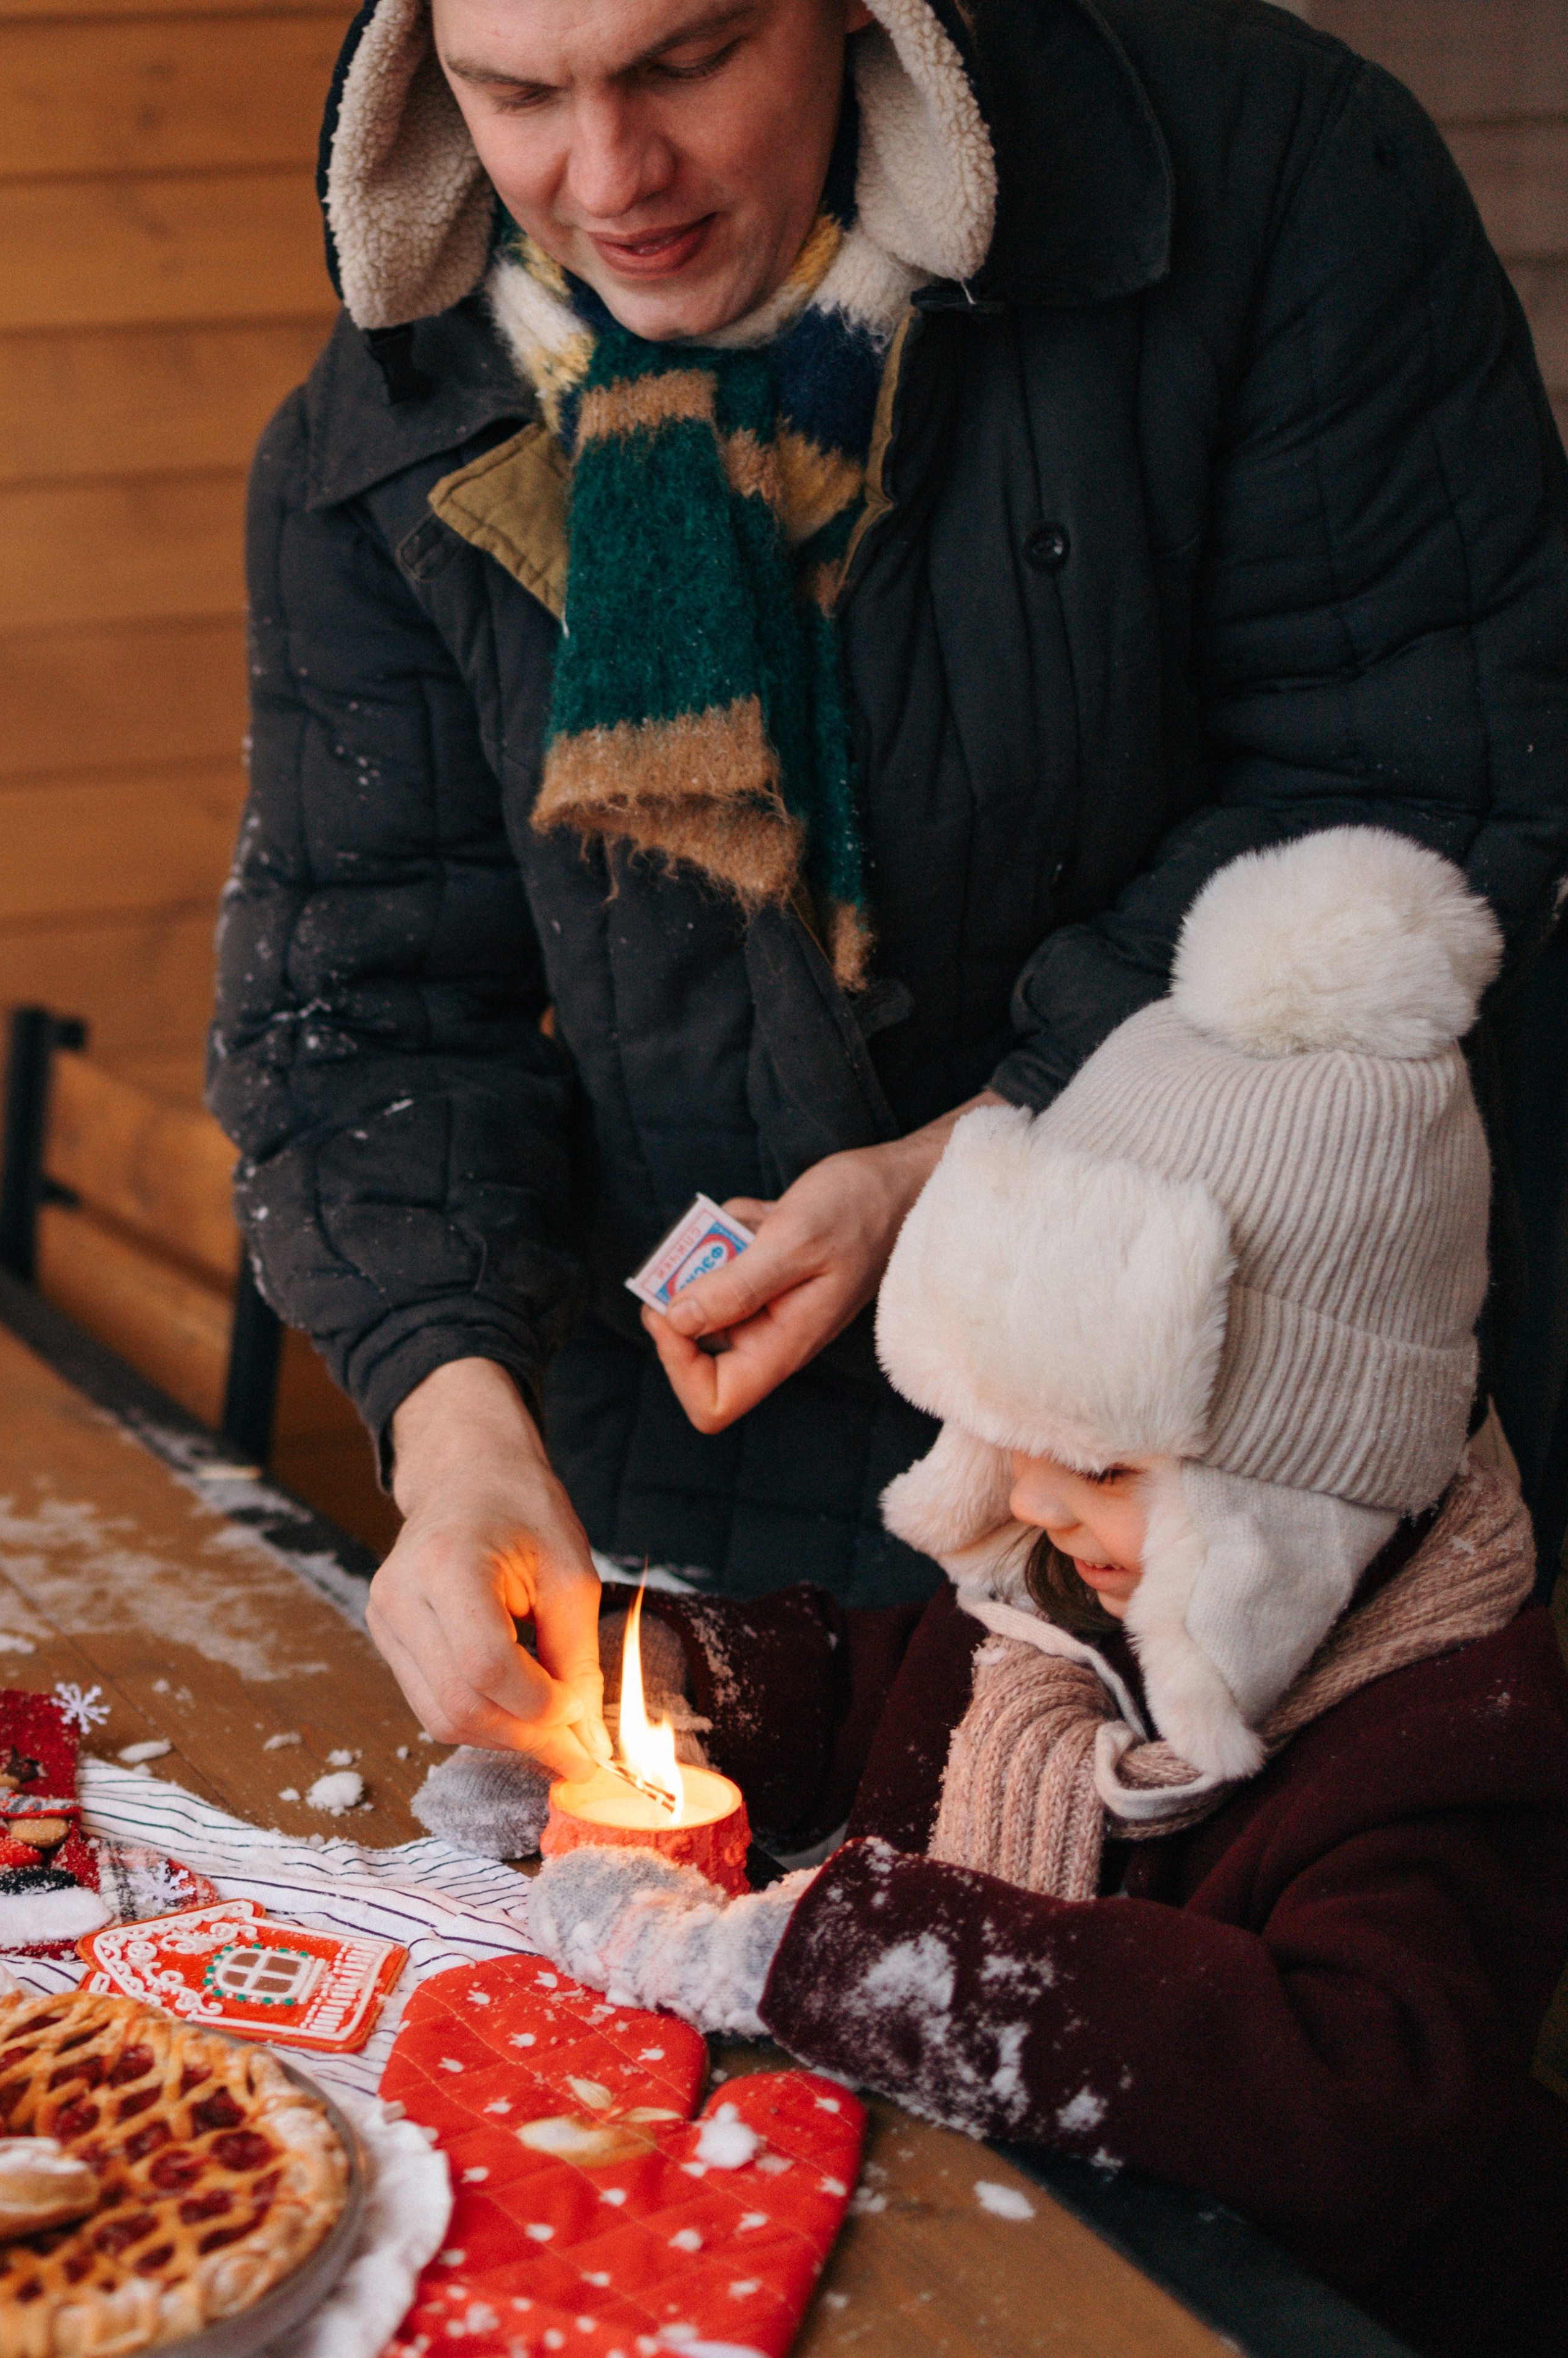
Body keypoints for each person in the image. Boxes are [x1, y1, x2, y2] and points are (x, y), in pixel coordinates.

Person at [212, 0, 1568, 1768]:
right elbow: (364, 1007)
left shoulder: (1279, 179)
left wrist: (969, 1161)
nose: (607, 178)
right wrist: (457, 1432)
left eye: (684, 61)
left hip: (1238, 1484)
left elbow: (1427, 785)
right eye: (517, 94)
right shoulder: (393, 412)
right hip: (711, 1491)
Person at [524, 830, 1568, 2358]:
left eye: (1101, 1463)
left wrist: (862, 1957)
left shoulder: (1451, 1741)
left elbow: (1351, 2093)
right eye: (1011, 1441)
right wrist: (637, 1672)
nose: (1025, 1502)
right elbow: (879, 1689)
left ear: (1298, 1475)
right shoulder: (1066, 1594)